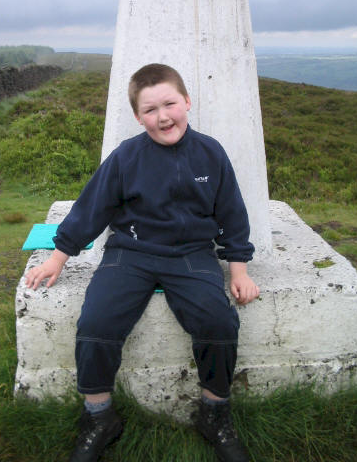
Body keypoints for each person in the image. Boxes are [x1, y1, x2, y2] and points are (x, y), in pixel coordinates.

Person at [25, 63, 260, 462]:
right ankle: (99, 417)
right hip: (130, 253)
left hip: (192, 255)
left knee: (218, 323)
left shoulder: (211, 153)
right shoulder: (126, 157)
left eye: (170, 104)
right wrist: (59, 257)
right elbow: (91, 209)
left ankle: (214, 412)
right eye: (150, 110)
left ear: (187, 101)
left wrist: (238, 269)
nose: (163, 116)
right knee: (97, 323)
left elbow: (232, 215)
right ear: (138, 116)